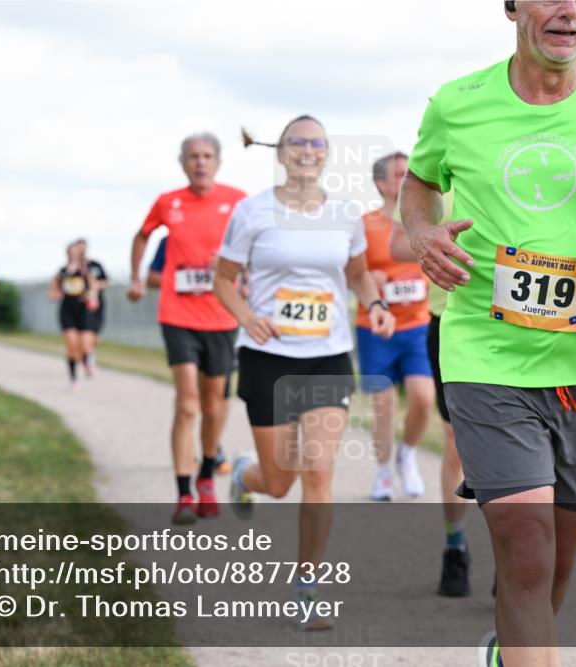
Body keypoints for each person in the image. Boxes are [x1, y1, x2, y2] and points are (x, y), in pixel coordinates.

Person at [400, 2, 576, 664]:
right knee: (526, 553)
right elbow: (418, 185)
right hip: (485, 354)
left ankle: (509, 649)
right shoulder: (457, 103)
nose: (567, 10)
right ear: (511, 8)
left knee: (552, 569)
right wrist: (421, 231)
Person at [215, 115, 396, 630]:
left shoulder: (344, 214)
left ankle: (307, 587)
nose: (308, 151)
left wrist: (375, 303)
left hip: (327, 355)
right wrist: (247, 316)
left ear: (327, 154)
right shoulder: (252, 213)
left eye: (317, 143)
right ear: (281, 152)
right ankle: (245, 477)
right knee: (279, 481)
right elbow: (224, 279)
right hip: (266, 356)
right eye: (298, 142)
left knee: (318, 472)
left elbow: (357, 274)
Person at [128, 133, 246, 524]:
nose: (200, 162)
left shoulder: (237, 201)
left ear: (218, 162)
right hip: (177, 315)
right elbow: (142, 235)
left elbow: (257, 244)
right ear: (183, 163)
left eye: (207, 156)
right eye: (193, 156)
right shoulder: (168, 202)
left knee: (215, 405)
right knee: (189, 403)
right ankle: (183, 493)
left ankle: (207, 476)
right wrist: (136, 276)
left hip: (222, 315)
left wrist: (238, 271)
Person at [391, 190, 472, 597]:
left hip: (521, 325)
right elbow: (396, 243)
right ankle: (454, 545)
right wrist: (433, 238)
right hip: (452, 325)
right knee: (457, 443)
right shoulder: (438, 187)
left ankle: (515, 550)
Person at [357, 152, 431, 501]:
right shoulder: (365, 224)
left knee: (422, 399)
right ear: (382, 183)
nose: (406, 179)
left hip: (417, 326)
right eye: (400, 174)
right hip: (376, 328)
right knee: (383, 406)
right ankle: (384, 472)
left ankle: (408, 454)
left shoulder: (423, 221)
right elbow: (353, 274)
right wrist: (370, 277)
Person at [147, 236, 233, 475]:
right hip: (183, 322)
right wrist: (186, 276)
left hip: (222, 322)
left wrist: (224, 272)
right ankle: (189, 458)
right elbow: (151, 277)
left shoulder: (231, 239)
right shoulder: (172, 240)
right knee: (189, 398)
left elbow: (249, 276)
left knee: (217, 397)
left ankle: (213, 447)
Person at [49, 242, 100, 388]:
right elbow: (52, 291)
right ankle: (73, 378)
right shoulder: (62, 272)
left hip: (83, 310)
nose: (73, 255)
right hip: (67, 310)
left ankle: (86, 359)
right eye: (70, 252)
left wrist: (92, 295)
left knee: (85, 344)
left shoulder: (85, 272)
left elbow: (94, 286)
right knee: (72, 345)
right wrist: (56, 294)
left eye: (75, 252)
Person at [74, 239, 109, 375]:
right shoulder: (73, 268)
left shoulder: (95, 265)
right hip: (83, 307)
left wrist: (96, 286)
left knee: (95, 337)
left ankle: (87, 355)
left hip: (98, 304)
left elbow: (106, 282)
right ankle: (88, 359)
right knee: (85, 336)